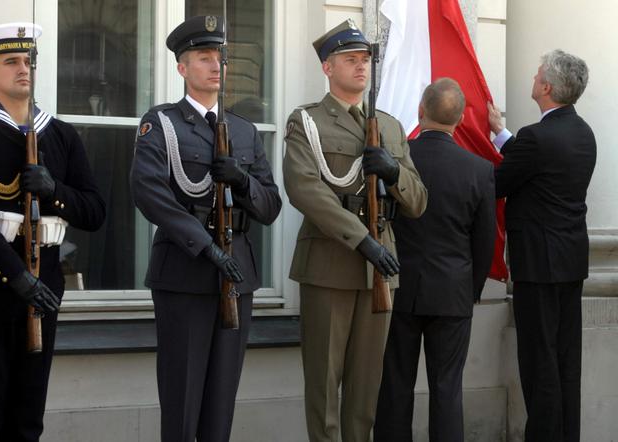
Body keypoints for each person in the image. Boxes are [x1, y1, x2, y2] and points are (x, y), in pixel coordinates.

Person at [0, 22, 106, 441]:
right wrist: (15, 276)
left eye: (27, 62)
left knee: (28, 417)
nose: (23, 70)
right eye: (10, 61)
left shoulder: (61, 134)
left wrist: (55, 191)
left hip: (43, 285)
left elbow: (94, 211)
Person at [130, 15, 282, 442]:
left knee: (221, 402)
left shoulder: (244, 131)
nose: (216, 65)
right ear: (182, 68)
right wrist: (206, 247)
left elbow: (270, 206)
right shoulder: (162, 124)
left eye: (220, 57)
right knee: (182, 400)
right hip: (184, 273)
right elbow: (150, 194)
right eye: (203, 57)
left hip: (237, 276)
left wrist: (242, 180)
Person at [282, 19, 427, 442]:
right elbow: (306, 189)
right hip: (331, 264)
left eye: (365, 59)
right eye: (350, 59)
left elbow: (418, 200)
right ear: (328, 68)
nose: (361, 67)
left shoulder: (390, 126)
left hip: (380, 269)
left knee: (366, 390)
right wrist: (361, 240)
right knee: (325, 389)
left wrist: (393, 169)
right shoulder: (307, 121)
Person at [373, 78, 497, 442]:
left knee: (395, 384)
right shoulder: (479, 170)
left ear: (420, 111)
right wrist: (470, 291)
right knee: (447, 390)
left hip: (399, 287)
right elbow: (485, 240)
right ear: (459, 120)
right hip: (453, 292)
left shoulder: (397, 160)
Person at [487, 49, 595, 442]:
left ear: (547, 86)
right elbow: (533, 158)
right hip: (570, 263)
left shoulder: (537, 138)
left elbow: (500, 182)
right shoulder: (581, 132)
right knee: (566, 361)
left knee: (539, 363)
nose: (532, 79)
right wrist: (500, 132)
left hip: (537, 265)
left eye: (536, 75)